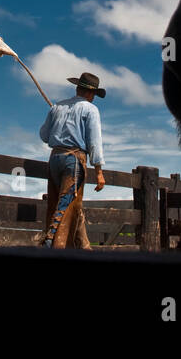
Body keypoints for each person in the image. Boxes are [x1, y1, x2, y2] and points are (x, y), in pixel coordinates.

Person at [39, 71, 106, 248]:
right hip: (74, 160)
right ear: (91, 93)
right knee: (66, 209)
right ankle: (53, 246)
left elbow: (44, 136)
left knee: (61, 204)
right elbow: (94, 142)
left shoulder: (57, 107)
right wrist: (99, 172)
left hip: (55, 159)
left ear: (78, 88)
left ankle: (84, 247)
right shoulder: (90, 109)